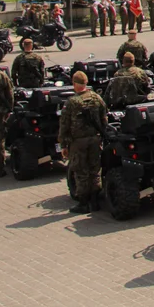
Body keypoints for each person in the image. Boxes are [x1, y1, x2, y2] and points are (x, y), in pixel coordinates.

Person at [58, 71, 108, 214]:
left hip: (78, 142)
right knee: (94, 170)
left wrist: (64, 145)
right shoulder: (97, 98)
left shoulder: (72, 102)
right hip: (94, 139)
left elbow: (64, 125)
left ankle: (83, 203)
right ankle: (95, 201)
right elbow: (104, 118)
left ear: (75, 84)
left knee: (80, 171)